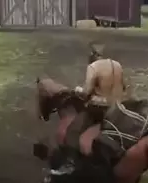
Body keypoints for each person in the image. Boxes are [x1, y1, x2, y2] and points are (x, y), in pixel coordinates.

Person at [53, 44, 126, 175]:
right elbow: (124, 86)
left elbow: (86, 92)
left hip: (99, 108)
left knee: (72, 131)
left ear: (92, 57)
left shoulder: (93, 67)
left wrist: (77, 90)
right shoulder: (117, 65)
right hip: (117, 107)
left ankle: (70, 164)